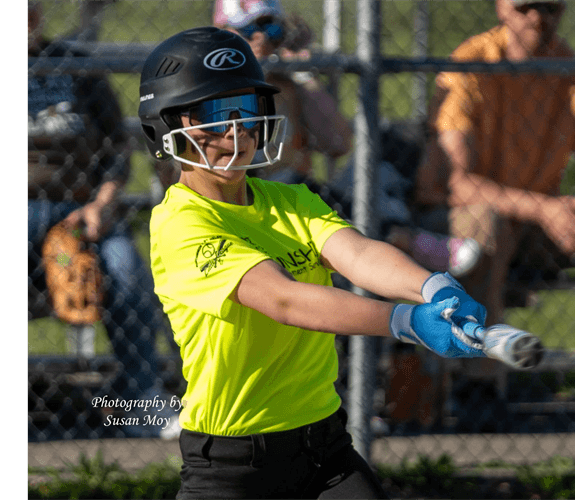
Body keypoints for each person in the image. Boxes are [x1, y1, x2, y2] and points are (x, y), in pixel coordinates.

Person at [139, 27, 506, 499]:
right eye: (213, 114)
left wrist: (433, 287)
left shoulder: (289, 200)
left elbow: (358, 253)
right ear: (166, 126)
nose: (235, 131)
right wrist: (406, 321)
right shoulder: (180, 224)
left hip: (323, 453)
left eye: (246, 109)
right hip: (232, 467)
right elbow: (284, 300)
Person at [414, 0, 575, 429]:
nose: (537, 18)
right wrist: (545, 208)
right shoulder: (471, 63)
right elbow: (455, 182)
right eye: (525, 6)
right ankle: (480, 384)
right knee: (484, 224)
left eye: (549, 6)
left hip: (542, 223)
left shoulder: (573, 71)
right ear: (501, 7)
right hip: (468, 221)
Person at [26, 1, 178, 439]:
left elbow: (116, 146)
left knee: (126, 270)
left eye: (29, 10)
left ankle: (141, 397)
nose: (26, 20)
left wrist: (102, 204)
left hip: (80, 208)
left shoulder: (74, 67)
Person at [212, 0, 353, 185]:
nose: (260, 37)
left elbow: (338, 143)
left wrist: (301, 71)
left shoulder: (291, 86)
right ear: (222, 33)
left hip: (288, 193)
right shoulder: (207, 89)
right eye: (247, 29)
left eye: (270, 28)